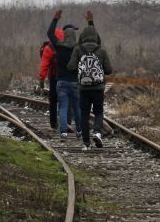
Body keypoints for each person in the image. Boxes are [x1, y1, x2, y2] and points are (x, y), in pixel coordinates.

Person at [68, 11, 112, 150]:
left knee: (84, 116)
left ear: (82, 37)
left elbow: (71, 67)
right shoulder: (101, 50)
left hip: (83, 88)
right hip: (98, 88)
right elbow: (109, 70)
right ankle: (98, 133)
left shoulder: (77, 49)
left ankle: (86, 144)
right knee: (98, 112)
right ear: (96, 37)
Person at [47, 9, 81, 139]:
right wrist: (90, 23)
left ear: (65, 35)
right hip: (75, 82)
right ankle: (79, 131)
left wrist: (55, 19)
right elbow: (95, 41)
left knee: (62, 107)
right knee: (77, 107)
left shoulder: (59, 46)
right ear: (74, 35)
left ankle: (63, 132)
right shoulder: (78, 48)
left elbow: (50, 33)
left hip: (61, 82)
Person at [37, 28, 64, 129]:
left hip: (53, 77)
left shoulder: (48, 48)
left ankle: (53, 123)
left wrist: (41, 80)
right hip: (65, 77)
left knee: (53, 100)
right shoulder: (66, 45)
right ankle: (67, 122)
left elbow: (44, 65)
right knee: (65, 99)